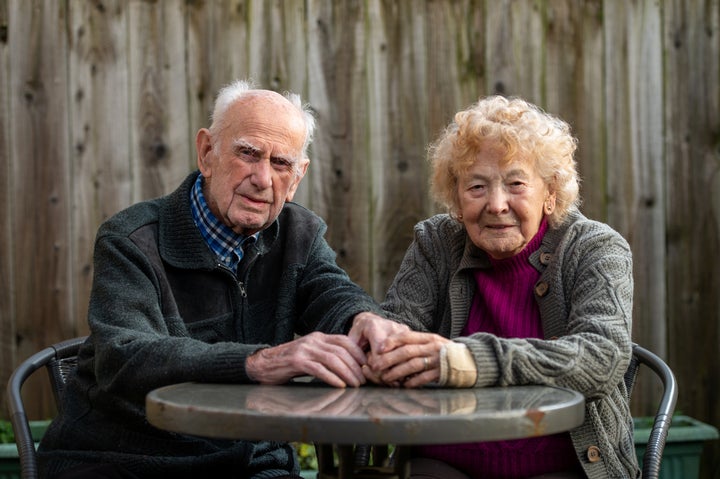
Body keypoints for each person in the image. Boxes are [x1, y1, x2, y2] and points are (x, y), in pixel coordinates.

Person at [38, 79, 389, 479]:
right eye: (248, 153)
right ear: (207, 153)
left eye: (281, 164)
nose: (262, 178)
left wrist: (364, 320)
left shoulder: (300, 236)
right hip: (127, 461)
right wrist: (260, 361)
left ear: (297, 177)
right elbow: (124, 357)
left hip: (251, 463)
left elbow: (334, 295)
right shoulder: (132, 239)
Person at [350, 95, 639, 478]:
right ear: (456, 196)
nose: (497, 204)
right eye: (477, 187)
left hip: (564, 466)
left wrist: (468, 360)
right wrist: (386, 346)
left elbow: (602, 357)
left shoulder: (594, 248)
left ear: (550, 193)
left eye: (516, 183)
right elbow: (396, 330)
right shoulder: (437, 243)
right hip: (442, 463)